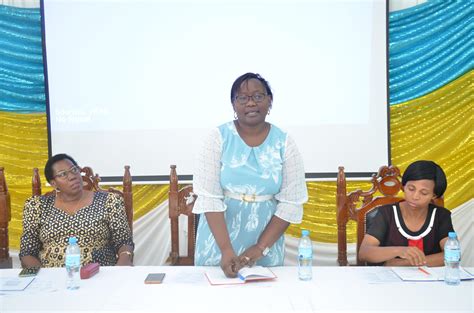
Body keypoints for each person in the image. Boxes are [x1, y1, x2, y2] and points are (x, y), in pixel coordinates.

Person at [192, 72, 308, 277]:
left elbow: (291, 201)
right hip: (218, 243)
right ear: (234, 105)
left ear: (269, 101)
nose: (251, 103)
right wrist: (226, 250)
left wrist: (260, 248)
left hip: (266, 242)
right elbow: (209, 198)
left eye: (258, 96)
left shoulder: (285, 142)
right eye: (242, 98)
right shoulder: (217, 138)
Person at [19, 154, 134, 268]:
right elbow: (27, 252)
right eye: (63, 174)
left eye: (74, 170)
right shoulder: (37, 206)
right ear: (54, 183)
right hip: (51, 276)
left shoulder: (109, 201)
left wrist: (120, 269)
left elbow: (124, 242)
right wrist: (43, 279)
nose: (72, 176)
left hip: (98, 274)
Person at [358, 160, 453, 266]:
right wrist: (399, 251)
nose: (415, 197)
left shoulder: (441, 216)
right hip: (390, 281)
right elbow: (364, 252)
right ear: (404, 186)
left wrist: (403, 263)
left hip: (428, 281)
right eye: (411, 189)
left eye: (424, 193)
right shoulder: (386, 213)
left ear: (434, 195)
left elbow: (452, 254)